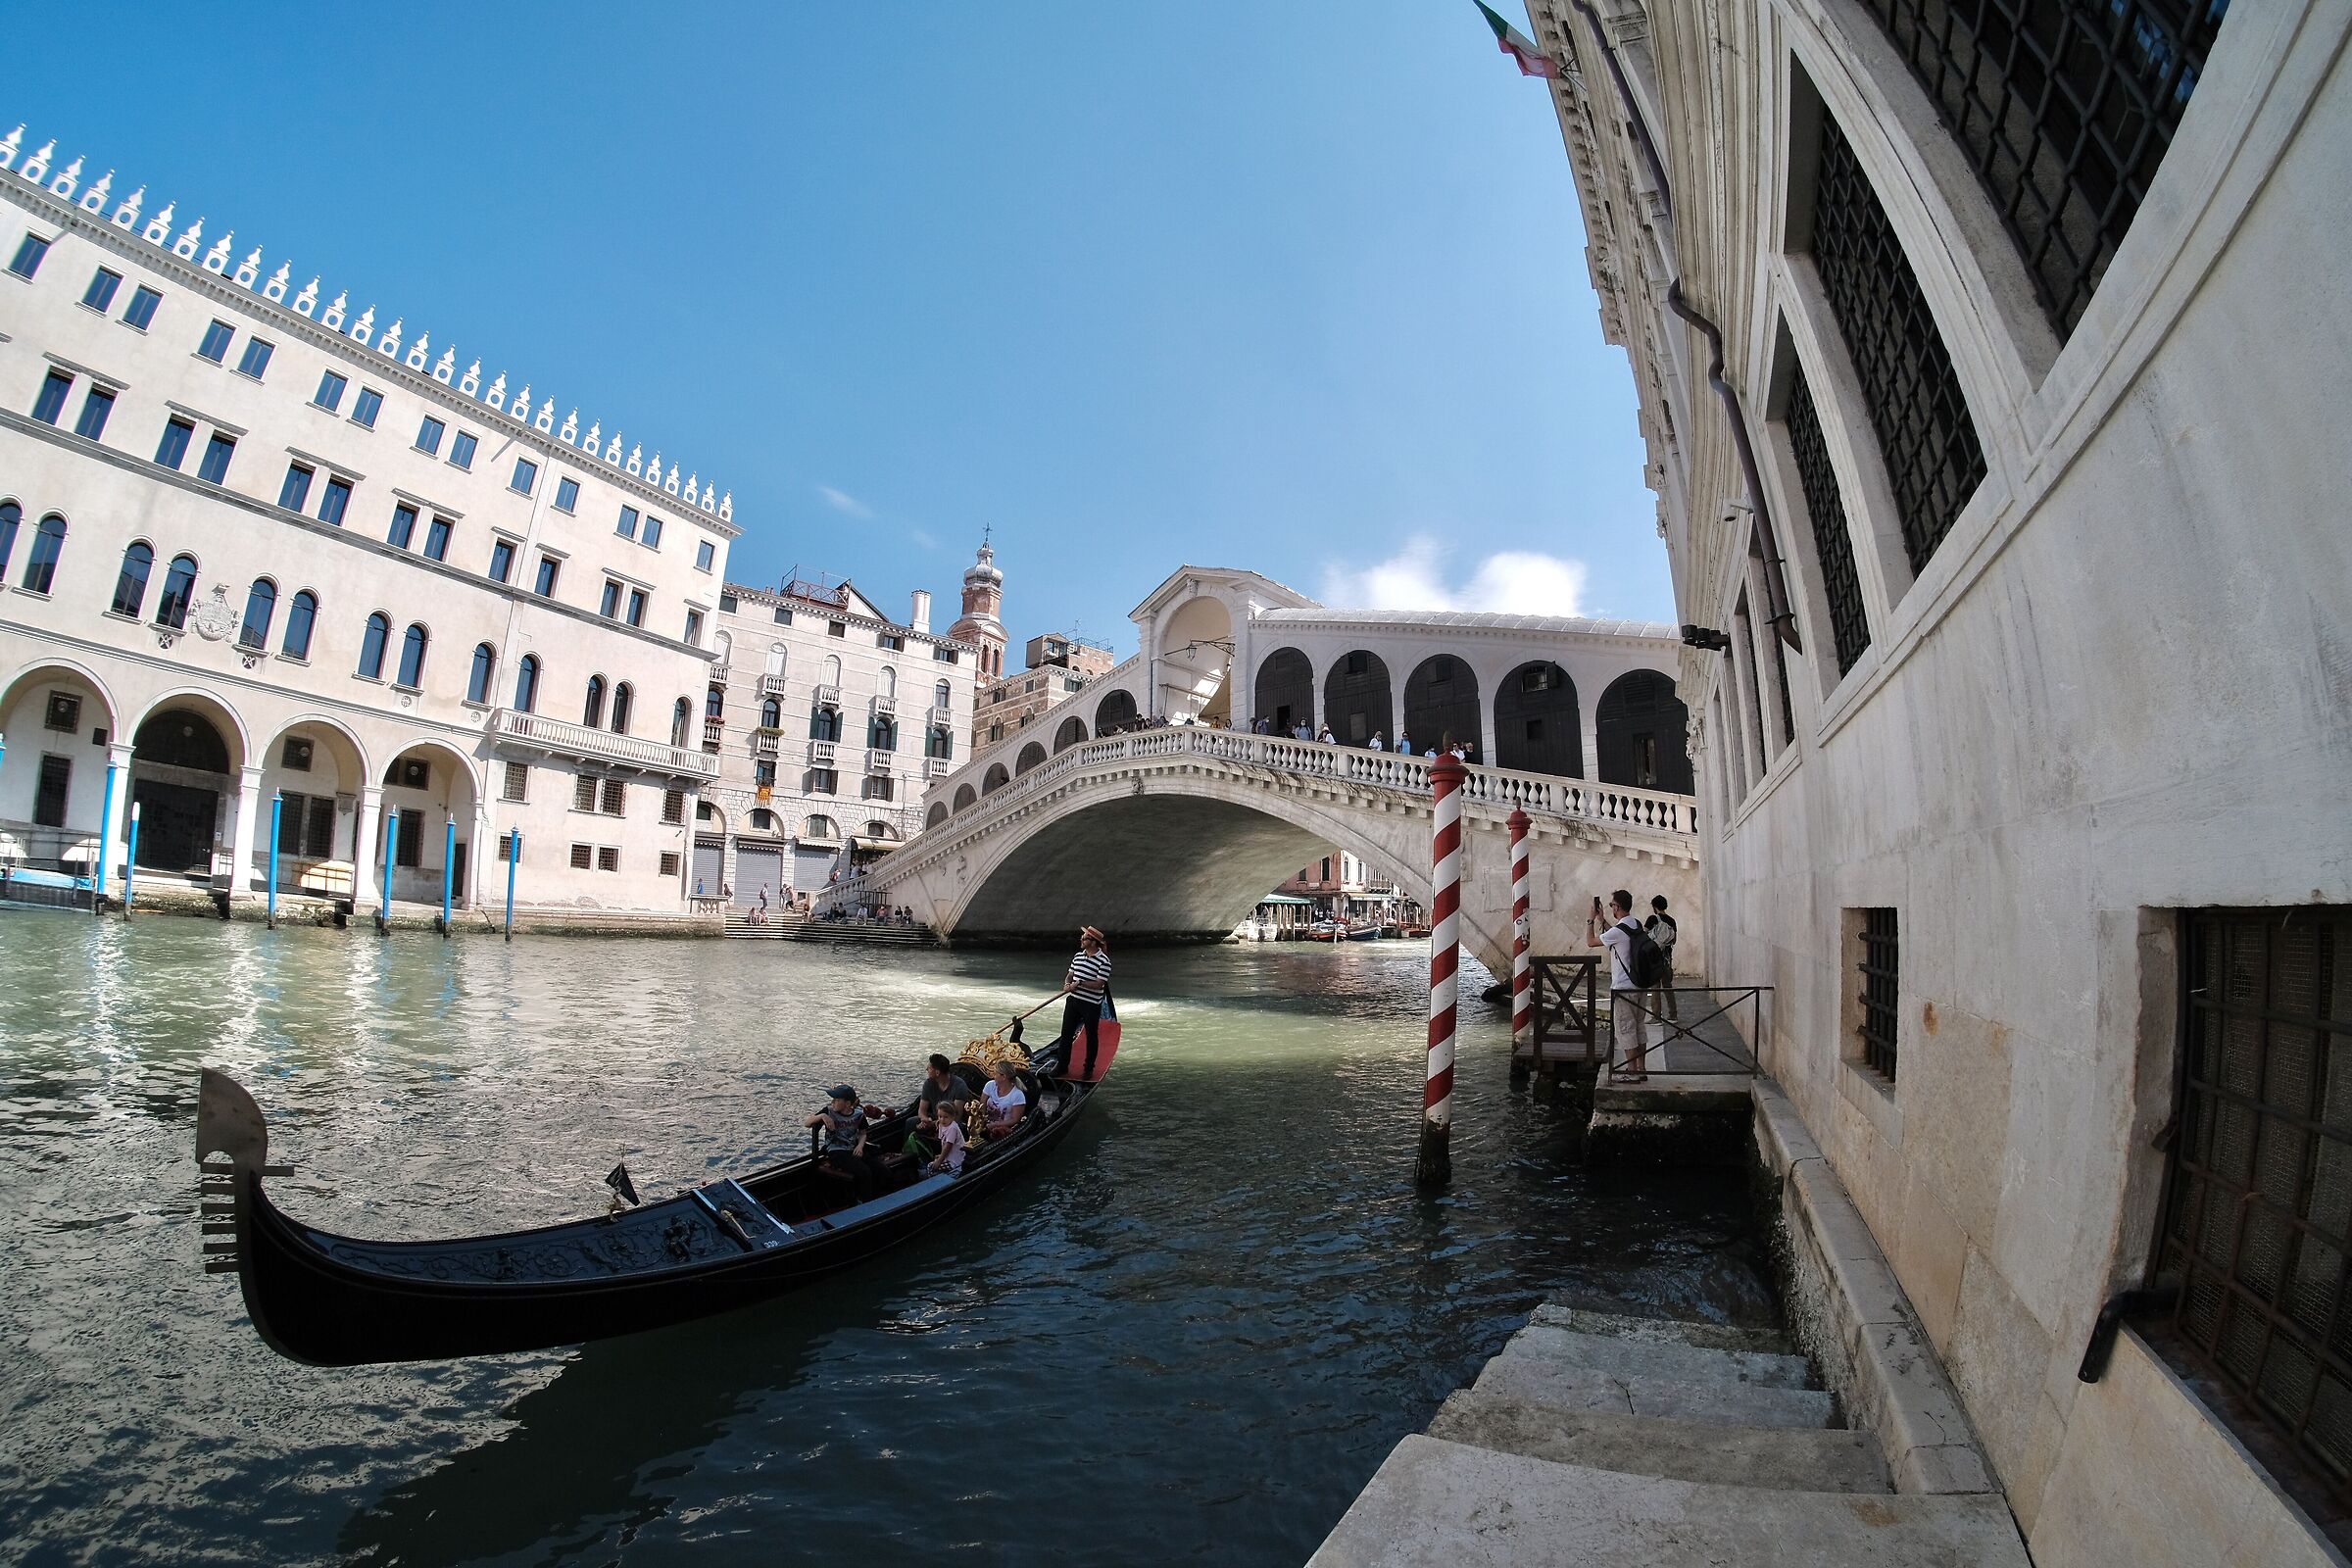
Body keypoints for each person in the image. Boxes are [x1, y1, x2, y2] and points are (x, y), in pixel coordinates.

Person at [1588, 890, 1649, 1080]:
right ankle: (1641, 1069)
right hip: (1640, 984)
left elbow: (1590, 942)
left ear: (1617, 907)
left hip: (1623, 988)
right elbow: (1617, 935)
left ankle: (1632, 1072)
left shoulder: (1617, 931)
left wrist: (1590, 921)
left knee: (1626, 1029)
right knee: (1639, 1027)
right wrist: (1602, 920)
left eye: (1612, 905)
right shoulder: (1635, 924)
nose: (1611, 907)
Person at [1045, 925, 1113, 1078]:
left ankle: (1088, 1068)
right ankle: (1062, 1066)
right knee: (1066, 1033)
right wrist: (1067, 984)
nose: (1081, 940)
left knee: (1091, 1036)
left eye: (1084, 938)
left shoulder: (1104, 961)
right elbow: (1070, 975)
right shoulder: (1077, 956)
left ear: (1093, 942)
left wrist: (1080, 983)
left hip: (1091, 1004)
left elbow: (1099, 984)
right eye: (1082, 937)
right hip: (1074, 1001)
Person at [805, 1085, 883, 1200]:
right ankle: (864, 1201)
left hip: (853, 1148)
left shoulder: (858, 1114)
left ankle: (882, 1195)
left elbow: (862, 1133)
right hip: (836, 1151)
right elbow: (807, 1123)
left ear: (847, 1104)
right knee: (864, 1172)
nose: (832, 1102)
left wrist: (860, 1146)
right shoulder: (828, 1111)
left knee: (880, 1169)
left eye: (836, 1100)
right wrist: (822, 1116)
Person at [905, 1053, 968, 1157]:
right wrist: (925, 1120)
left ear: (937, 1072)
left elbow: (956, 1117)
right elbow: (921, 1110)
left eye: (929, 1068)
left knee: (957, 1127)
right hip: (934, 1118)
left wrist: (933, 1124)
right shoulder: (928, 1084)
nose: (927, 1069)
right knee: (911, 1122)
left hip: (950, 1121)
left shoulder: (959, 1085)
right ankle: (910, 1154)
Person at [1645, 895, 1680, 1023]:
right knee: (1667, 986)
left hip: (1654, 958)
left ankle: (1656, 1017)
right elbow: (1674, 940)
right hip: (1666, 958)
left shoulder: (1652, 919)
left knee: (1655, 988)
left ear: (1654, 906)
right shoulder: (1672, 921)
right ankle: (1673, 1015)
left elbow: (1644, 935)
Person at [982, 1060, 1027, 1140]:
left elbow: (1015, 1120)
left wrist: (995, 1125)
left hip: (1003, 1129)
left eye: (995, 1073)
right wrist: (982, 1121)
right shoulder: (990, 1085)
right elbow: (982, 1105)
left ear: (1003, 1076)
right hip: (986, 1124)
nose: (993, 1076)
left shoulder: (1018, 1095)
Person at [923, 1099, 968, 1176]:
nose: (942, 1120)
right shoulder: (941, 1125)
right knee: (934, 1160)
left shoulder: (953, 1128)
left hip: (956, 1161)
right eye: (940, 1117)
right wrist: (941, 1156)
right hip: (949, 1157)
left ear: (953, 1117)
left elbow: (948, 1146)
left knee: (930, 1167)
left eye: (945, 1117)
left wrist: (940, 1160)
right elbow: (943, 1143)